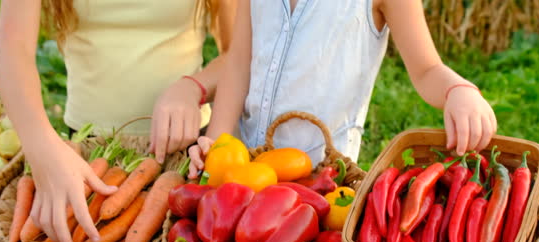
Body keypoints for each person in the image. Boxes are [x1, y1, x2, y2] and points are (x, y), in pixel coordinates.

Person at [0, 0, 235, 242]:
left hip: (184, 152)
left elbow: (239, 53)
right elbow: (14, 46)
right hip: (86, 158)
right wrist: (41, 146)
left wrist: (194, 87)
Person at [189, 0, 497, 177]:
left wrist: (457, 90)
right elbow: (240, 62)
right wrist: (217, 142)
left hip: (317, 180)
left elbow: (426, 69)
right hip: (241, 166)